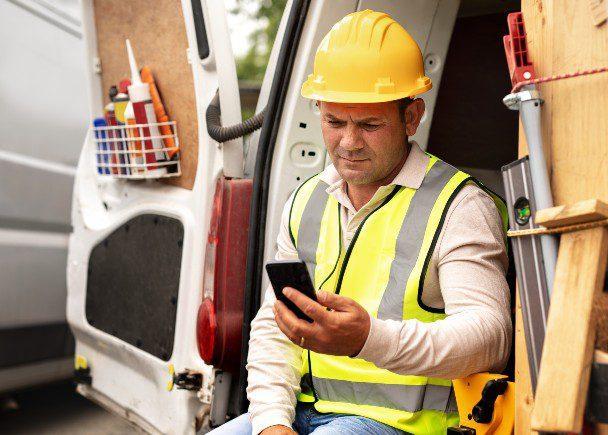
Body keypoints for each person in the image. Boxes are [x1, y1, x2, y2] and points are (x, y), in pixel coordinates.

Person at [211, 9, 511, 435]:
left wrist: (367, 339)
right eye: (334, 122)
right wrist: (272, 423)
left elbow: (490, 337)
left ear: (411, 117)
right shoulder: (307, 199)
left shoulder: (460, 207)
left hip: (405, 426)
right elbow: (274, 326)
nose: (348, 143)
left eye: (369, 124)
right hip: (306, 413)